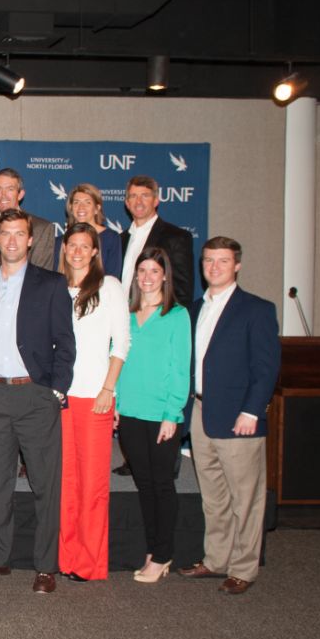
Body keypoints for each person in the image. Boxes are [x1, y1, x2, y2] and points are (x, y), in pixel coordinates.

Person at [0, 210, 75, 594]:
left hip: (35, 396)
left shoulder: (51, 284)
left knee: (46, 484)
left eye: (19, 234)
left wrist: (56, 391)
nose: (12, 240)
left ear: (31, 240)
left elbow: (66, 343)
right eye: (5, 233)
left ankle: (46, 566)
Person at [178, 237, 280, 595]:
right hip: (202, 413)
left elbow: (266, 368)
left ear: (237, 265)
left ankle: (243, 568)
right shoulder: (193, 309)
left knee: (246, 498)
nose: (214, 267)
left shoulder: (256, 309)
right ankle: (216, 559)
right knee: (214, 496)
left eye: (223, 261)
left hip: (239, 418)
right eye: (208, 261)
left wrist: (252, 410)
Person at [56, 223, 130, 583]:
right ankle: (67, 556)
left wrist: (108, 388)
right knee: (66, 483)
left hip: (95, 398)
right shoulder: (56, 288)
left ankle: (90, 562)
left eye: (86, 246)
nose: (79, 251)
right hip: (61, 398)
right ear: (65, 248)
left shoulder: (109, 286)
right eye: (73, 245)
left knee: (92, 484)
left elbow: (122, 342)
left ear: (95, 251)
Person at [115, 246, 190, 583]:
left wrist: (172, 413)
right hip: (129, 412)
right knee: (144, 485)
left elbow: (179, 369)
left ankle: (163, 555)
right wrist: (115, 403)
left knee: (162, 486)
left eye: (153, 272)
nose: (147, 278)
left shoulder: (176, 315)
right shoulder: (126, 315)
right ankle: (152, 549)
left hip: (161, 415)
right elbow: (115, 360)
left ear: (164, 276)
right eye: (141, 271)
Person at [119, 175, 194, 309]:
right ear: (127, 203)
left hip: (156, 320)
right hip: (120, 321)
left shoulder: (176, 237)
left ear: (156, 201)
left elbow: (183, 292)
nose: (139, 201)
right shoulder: (119, 240)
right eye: (133, 196)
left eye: (145, 196)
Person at [0, 168, 55, 279]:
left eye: (10, 189)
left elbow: (42, 278)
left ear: (20, 194)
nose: (3, 195)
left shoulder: (42, 229)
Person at [52, 183, 122, 280]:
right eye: (76, 202)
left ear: (97, 208)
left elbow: (113, 277)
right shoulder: (59, 242)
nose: (81, 207)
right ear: (71, 208)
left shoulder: (111, 238)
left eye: (87, 202)